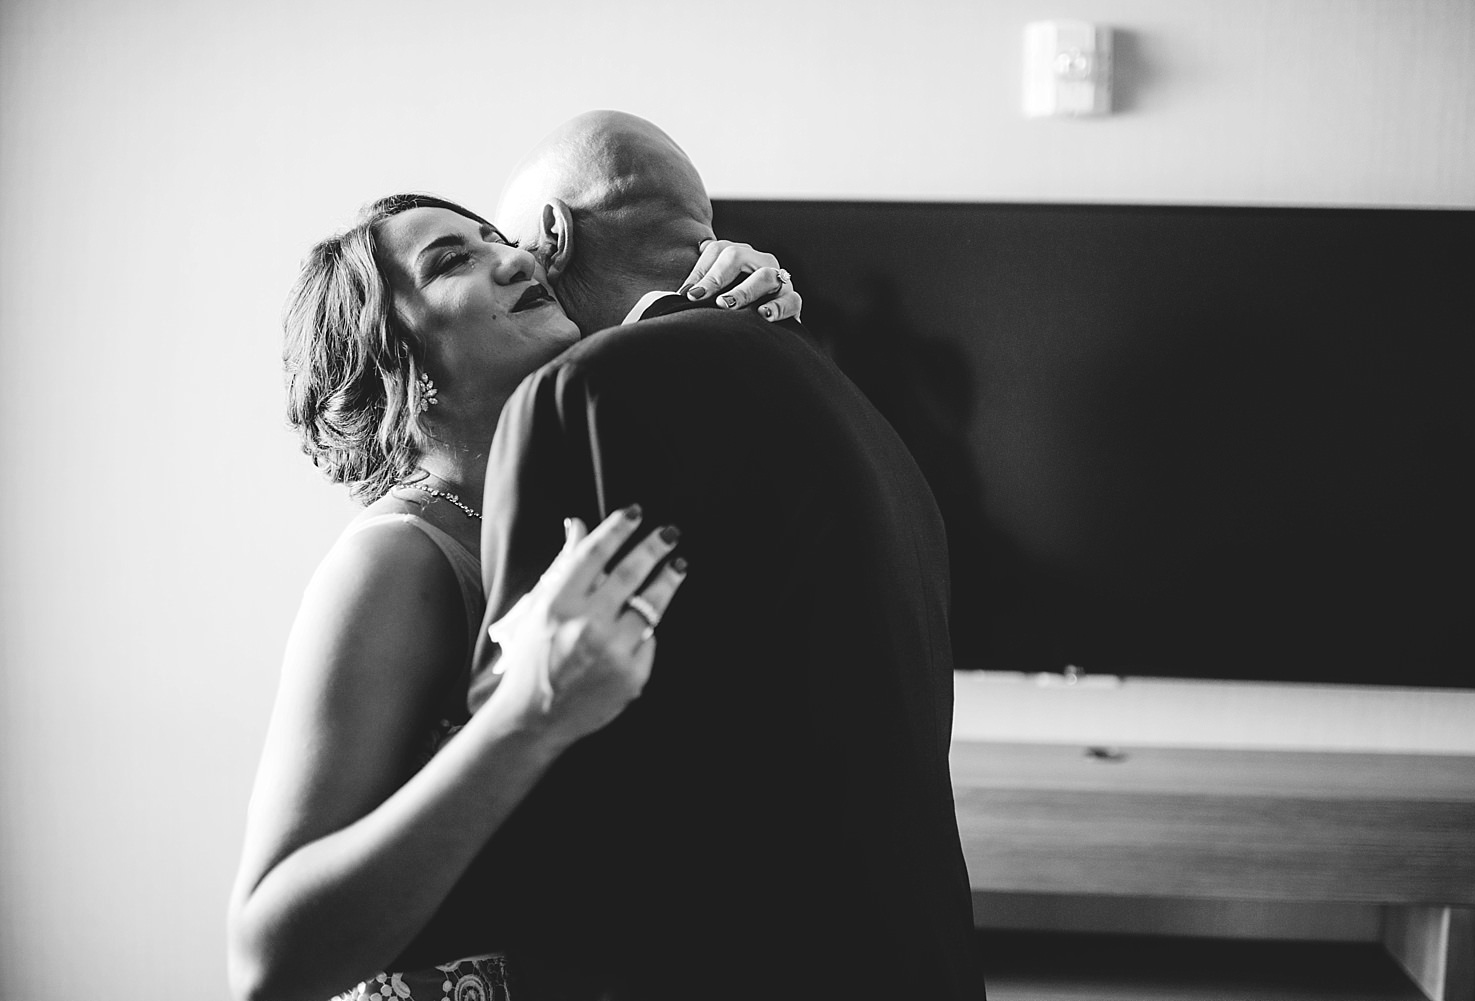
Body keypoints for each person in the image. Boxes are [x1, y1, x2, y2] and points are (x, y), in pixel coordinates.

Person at [393, 111, 985, 999]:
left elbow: (531, 803)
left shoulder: (583, 398)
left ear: (550, 234)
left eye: (506, 243)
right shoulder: (866, 421)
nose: (508, 268)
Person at [226, 186, 802, 1001]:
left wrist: (736, 311)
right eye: (453, 259)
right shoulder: (395, 562)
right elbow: (267, 961)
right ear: (394, 353)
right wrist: (526, 713)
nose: (519, 256)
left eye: (501, 237)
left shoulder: (566, 505)